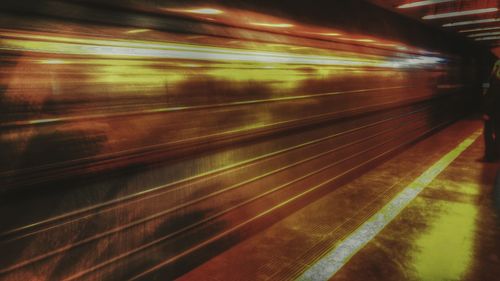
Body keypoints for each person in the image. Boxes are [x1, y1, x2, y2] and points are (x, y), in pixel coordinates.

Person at [482, 59, 500, 162]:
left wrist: (486, 112)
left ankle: (490, 154)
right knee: (498, 132)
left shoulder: (491, 80)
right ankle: (497, 152)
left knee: (488, 132)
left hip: (492, 112)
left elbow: (488, 96)